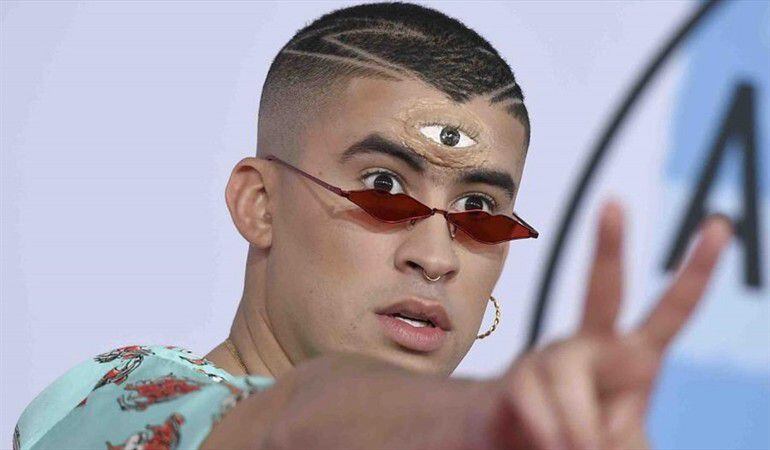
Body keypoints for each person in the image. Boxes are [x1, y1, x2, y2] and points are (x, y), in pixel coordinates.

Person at [13, 2, 734, 450]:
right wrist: (487, 415)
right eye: (384, 187)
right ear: (259, 204)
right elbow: (297, 417)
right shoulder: (112, 406)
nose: (436, 255)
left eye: (478, 211)